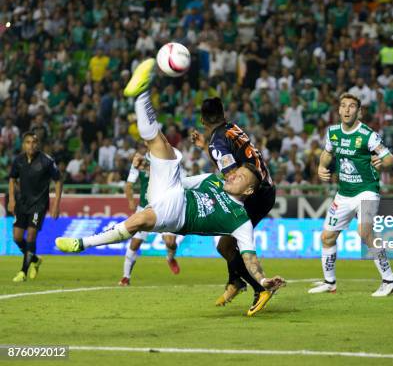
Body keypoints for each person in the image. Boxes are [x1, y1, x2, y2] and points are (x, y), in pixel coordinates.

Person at [55, 59, 285, 316]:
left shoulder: (236, 207)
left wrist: (264, 278)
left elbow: (250, 254)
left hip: (184, 211)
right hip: (180, 191)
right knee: (158, 143)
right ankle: (141, 92)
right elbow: (199, 180)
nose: (232, 176)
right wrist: (164, 171)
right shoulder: (225, 153)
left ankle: (81, 243)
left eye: (238, 176)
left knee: (214, 243)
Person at [309, 93, 393, 296]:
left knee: (365, 233)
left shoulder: (368, 135)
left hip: (367, 191)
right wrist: (321, 167)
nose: (347, 110)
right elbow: (328, 152)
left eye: (351, 106)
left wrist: (382, 164)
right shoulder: (332, 132)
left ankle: (390, 280)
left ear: (359, 111)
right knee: (327, 237)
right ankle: (329, 282)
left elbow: (390, 160)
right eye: (343, 106)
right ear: (339, 110)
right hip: (344, 194)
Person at [191, 97, 276, 311]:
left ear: (202, 120)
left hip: (253, 195)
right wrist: (206, 147)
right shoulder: (232, 128)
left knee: (226, 245)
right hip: (265, 187)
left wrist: (208, 149)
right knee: (228, 243)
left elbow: (232, 177)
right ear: (223, 114)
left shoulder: (217, 142)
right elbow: (230, 163)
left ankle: (259, 287)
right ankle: (235, 281)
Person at [118, 152, 182, 286]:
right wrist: (130, 200)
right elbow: (128, 185)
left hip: (164, 208)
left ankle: (170, 258)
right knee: (135, 244)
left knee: (170, 243)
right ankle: (126, 277)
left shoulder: (166, 168)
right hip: (144, 209)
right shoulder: (138, 168)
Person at [8, 132, 63, 282]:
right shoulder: (18, 160)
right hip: (22, 204)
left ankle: (23, 272)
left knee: (31, 236)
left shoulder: (47, 161)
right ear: (23, 144)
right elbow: (12, 179)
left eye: (34, 142)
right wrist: (11, 199)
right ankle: (35, 260)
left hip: (39, 204)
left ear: (38, 144)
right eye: (28, 142)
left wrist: (56, 204)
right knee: (17, 237)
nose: (31, 145)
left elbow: (58, 181)